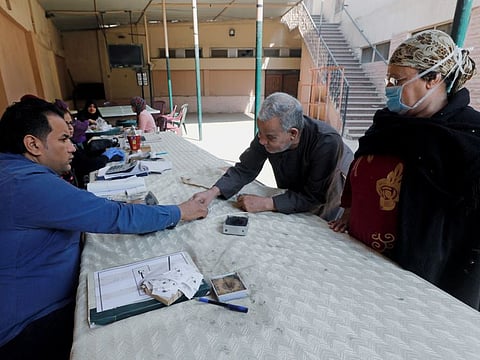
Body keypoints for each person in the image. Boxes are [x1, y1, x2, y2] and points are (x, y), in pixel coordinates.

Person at [0, 98, 208, 358]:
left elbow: (82, 209)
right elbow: (115, 218)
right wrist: (180, 211)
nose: (73, 147)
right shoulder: (25, 185)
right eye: (64, 139)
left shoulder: (12, 172)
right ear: (33, 144)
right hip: (28, 327)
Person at [329, 30, 480, 310]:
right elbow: (361, 165)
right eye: (388, 80)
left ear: (433, 79)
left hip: (412, 281)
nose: (389, 88)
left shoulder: (467, 139)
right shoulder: (387, 123)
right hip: (358, 258)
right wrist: (350, 209)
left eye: (397, 81)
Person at [193, 92, 353, 220]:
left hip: (327, 194)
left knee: (320, 225)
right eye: (260, 134)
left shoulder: (327, 143)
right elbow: (245, 169)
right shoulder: (268, 134)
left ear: (292, 133)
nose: (261, 141)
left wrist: (266, 203)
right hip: (296, 192)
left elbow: (314, 197)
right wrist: (212, 192)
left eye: (270, 137)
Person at [54, 99, 122, 188]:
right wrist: (105, 157)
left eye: (71, 123)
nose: (70, 127)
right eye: (66, 124)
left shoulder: (72, 142)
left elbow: (85, 157)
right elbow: (85, 164)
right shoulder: (62, 149)